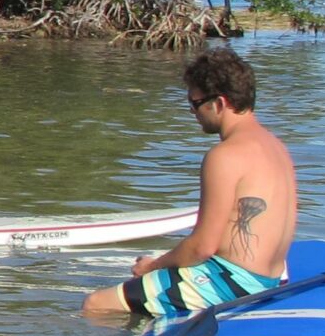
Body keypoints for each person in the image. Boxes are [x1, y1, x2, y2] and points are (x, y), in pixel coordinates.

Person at [84, 47, 297, 320]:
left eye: (195, 104)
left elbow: (202, 246)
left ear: (218, 103)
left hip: (233, 283)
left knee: (97, 304)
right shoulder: (276, 146)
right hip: (271, 277)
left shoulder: (225, 155)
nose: (192, 112)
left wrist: (153, 267)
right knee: (156, 280)